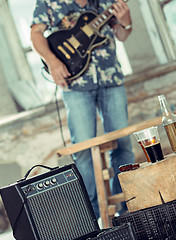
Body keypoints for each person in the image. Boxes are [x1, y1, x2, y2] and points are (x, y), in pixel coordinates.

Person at [31, 0, 135, 219]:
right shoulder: (48, 2)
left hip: (111, 78)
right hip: (75, 85)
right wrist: (51, 61)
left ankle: (126, 209)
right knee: (83, 151)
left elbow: (121, 35)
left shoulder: (107, 2)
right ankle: (94, 216)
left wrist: (126, 22)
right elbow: (36, 34)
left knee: (123, 144)